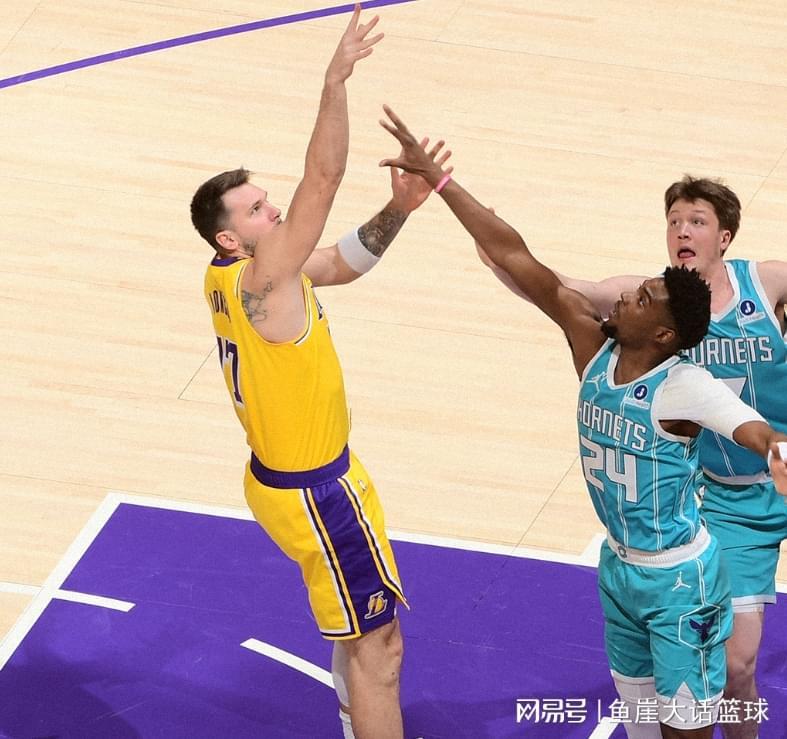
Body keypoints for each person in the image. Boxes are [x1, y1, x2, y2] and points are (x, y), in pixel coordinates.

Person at [377, 106, 787, 739]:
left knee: (699, 715)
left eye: (641, 298)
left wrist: (778, 452)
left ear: (664, 333)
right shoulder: (591, 346)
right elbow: (517, 257)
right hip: (620, 571)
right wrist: (442, 182)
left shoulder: (686, 384)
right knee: (643, 722)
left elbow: (752, 429)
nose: (624, 295)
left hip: (682, 578)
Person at [189, 11, 449, 738]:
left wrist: (397, 208)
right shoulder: (263, 278)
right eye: (257, 209)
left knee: (355, 631)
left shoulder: (240, 275)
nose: (275, 210)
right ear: (230, 236)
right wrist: (334, 80)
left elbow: (339, 263)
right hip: (316, 491)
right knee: (380, 648)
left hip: (293, 476)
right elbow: (324, 177)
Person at [476, 175, 787, 739]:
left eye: (697, 221)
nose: (682, 231)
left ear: (725, 237)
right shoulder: (646, 307)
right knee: (736, 668)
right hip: (726, 502)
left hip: (776, 466)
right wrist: (494, 251)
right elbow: (557, 288)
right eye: (674, 221)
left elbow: (757, 429)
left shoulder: (765, 285)